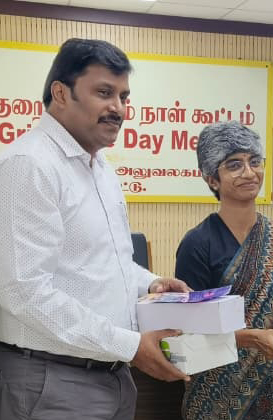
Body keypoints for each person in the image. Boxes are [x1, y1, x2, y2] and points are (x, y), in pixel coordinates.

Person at [0, 38, 190, 420]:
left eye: (124, 96)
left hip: (112, 373)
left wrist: (150, 283)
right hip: (52, 379)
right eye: (104, 93)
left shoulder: (101, 168)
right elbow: (23, 290)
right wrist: (130, 345)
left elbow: (104, 263)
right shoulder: (29, 165)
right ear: (61, 93)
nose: (118, 108)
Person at [175, 121, 273, 420]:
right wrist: (248, 338)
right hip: (216, 392)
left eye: (255, 161)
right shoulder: (198, 243)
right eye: (234, 165)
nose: (249, 173)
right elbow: (187, 333)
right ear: (212, 179)